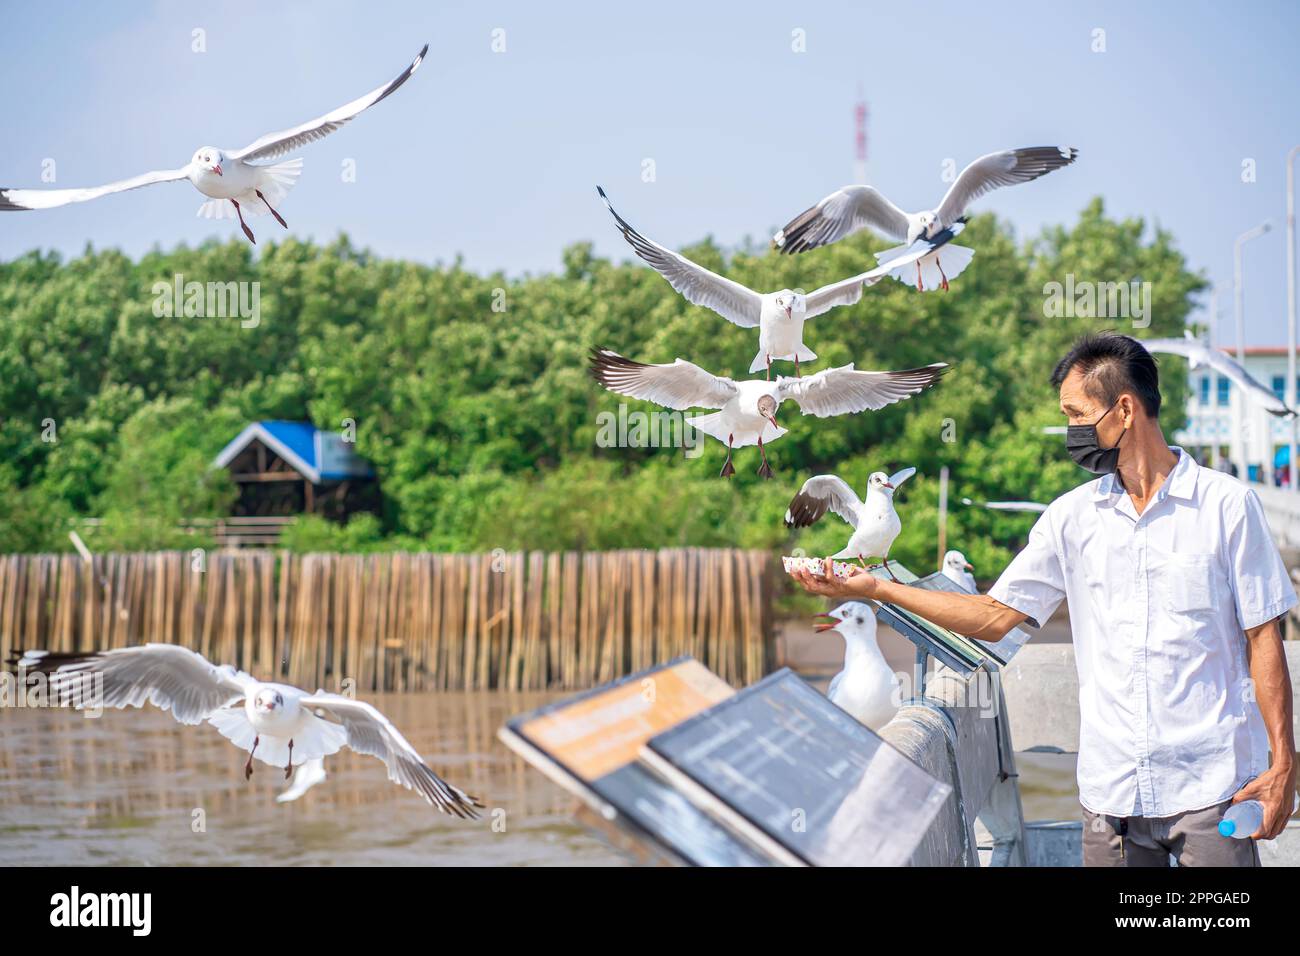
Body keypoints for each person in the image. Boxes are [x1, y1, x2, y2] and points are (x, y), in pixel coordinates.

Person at [792, 332, 1297, 866]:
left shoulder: (1228, 506)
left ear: (1124, 410)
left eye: (1077, 414)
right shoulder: (1071, 518)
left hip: (1211, 786)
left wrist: (1283, 763)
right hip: (1112, 798)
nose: (1070, 431)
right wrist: (875, 588)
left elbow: (1264, 637)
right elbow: (992, 617)